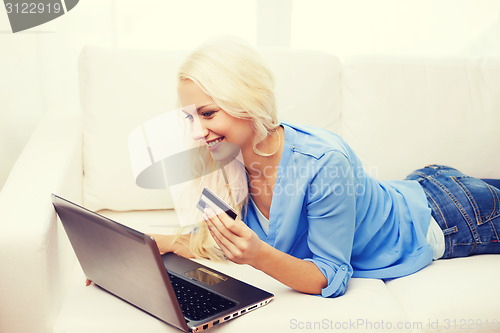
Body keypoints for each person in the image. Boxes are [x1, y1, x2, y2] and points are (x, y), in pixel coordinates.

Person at [152, 36, 500, 298]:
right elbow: (216, 240)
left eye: (208, 113)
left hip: (452, 215)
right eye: (190, 117)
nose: (197, 132)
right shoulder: (225, 158)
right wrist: (153, 244)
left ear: (246, 100)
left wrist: (257, 256)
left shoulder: (323, 162)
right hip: (418, 184)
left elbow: (328, 276)